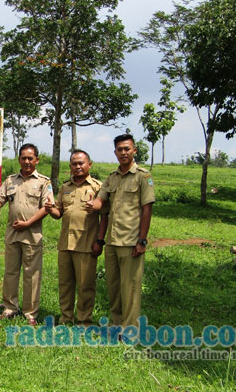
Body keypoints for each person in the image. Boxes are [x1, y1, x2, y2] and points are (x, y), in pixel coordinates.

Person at [86, 134, 155, 329]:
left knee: (130, 288)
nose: (123, 153)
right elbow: (101, 199)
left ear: (134, 151)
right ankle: (116, 324)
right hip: (112, 242)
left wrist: (142, 240)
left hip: (131, 241)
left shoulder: (143, 176)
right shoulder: (112, 177)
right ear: (115, 152)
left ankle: (130, 329)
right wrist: (93, 204)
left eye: (127, 149)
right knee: (114, 287)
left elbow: (147, 209)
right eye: (120, 149)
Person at [0, 143, 53, 326]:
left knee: (32, 274)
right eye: (23, 158)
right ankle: (10, 307)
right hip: (13, 234)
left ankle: (31, 312)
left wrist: (28, 223)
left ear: (37, 160)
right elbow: (0, 201)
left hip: (32, 235)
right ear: (19, 160)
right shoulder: (10, 181)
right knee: (11, 272)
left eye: (30, 158)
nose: (27, 161)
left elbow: (47, 208)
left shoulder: (44, 182)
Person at [44, 150, 105, 326]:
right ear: (70, 166)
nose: (77, 166)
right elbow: (59, 213)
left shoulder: (97, 187)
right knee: (65, 284)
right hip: (65, 244)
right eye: (74, 163)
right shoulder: (65, 187)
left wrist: (99, 241)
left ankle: (84, 321)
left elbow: (104, 216)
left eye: (81, 163)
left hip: (87, 244)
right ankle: (66, 318)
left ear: (89, 165)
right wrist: (50, 209)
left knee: (85, 286)